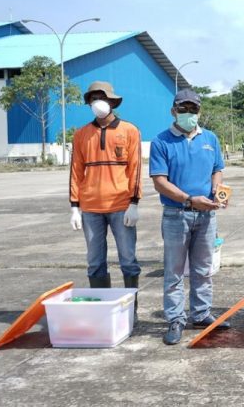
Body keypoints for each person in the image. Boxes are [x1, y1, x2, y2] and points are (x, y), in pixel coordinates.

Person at [149, 88, 227, 345]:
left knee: (203, 270)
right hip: (176, 215)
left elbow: (217, 169)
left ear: (199, 111)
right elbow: (160, 182)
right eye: (184, 109)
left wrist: (216, 190)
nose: (189, 114)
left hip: (206, 216)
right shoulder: (161, 142)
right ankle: (175, 318)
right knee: (173, 271)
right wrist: (189, 199)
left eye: (193, 109)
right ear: (174, 111)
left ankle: (201, 313)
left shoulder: (211, 139)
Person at [69, 81, 142, 318]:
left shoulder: (130, 131)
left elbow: (135, 169)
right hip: (90, 208)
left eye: (102, 97)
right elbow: (76, 171)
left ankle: (131, 310)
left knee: (128, 260)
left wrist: (134, 202)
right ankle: (102, 310)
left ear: (112, 101)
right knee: (95, 262)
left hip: (121, 206)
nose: (98, 102)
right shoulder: (81, 135)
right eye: (93, 98)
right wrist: (74, 207)